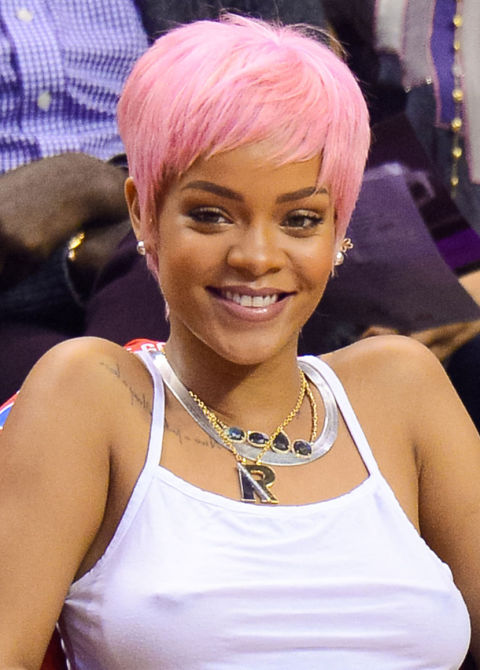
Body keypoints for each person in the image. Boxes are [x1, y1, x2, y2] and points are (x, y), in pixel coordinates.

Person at [1, 13, 479, 669]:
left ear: (340, 229)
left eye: (300, 219)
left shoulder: (403, 387)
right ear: (143, 212)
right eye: (211, 215)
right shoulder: (86, 392)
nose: (257, 256)